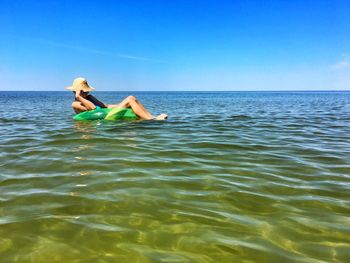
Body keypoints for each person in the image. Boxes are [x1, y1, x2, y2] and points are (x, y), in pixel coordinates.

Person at [66, 77, 168, 120]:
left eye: (87, 90)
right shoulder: (75, 104)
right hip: (105, 117)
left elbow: (105, 106)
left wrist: (121, 105)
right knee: (129, 99)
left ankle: (150, 117)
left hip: (107, 113)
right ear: (75, 92)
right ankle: (152, 120)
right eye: (83, 91)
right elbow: (92, 109)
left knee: (131, 100)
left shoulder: (89, 97)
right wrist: (79, 97)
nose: (87, 93)